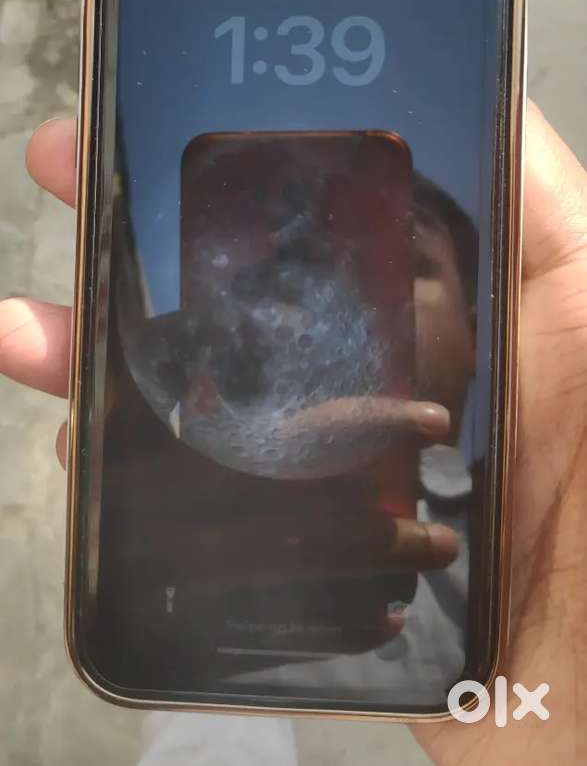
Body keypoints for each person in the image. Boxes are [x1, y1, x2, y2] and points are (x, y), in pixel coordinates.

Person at [0, 101, 585, 764]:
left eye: (400, 263)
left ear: (480, 334)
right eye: (299, 273)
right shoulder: (177, 538)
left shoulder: (527, 548)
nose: (333, 305)